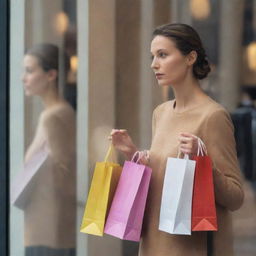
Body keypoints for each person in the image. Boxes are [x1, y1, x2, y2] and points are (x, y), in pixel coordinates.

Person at [110, 23, 244, 256]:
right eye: (153, 56)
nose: (154, 64)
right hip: (152, 244)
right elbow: (163, 183)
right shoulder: (161, 113)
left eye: (163, 55)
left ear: (190, 57)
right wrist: (133, 155)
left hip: (191, 249)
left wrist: (202, 161)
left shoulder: (213, 116)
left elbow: (235, 198)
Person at [22, 43, 76, 256]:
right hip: (47, 224)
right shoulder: (55, 113)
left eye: (29, 71)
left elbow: (63, 174)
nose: (23, 78)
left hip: (49, 229)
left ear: (51, 74)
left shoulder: (54, 116)